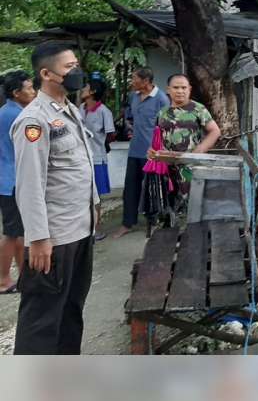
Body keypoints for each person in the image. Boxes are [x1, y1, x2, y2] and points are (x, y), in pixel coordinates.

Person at [11, 42, 99, 354]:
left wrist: (95, 206)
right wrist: (37, 238)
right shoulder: (34, 121)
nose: (77, 72)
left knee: (71, 310)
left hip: (80, 229)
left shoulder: (70, 110)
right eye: (69, 68)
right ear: (46, 74)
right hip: (54, 238)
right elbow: (29, 184)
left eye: (76, 65)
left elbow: (80, 166)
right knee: (42, 320)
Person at [148, 73, 221, 202]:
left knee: (193, 203)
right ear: (168, 90)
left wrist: (200, 149)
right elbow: (157, 138)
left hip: (190, 167)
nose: (180, 91)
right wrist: (153, 152)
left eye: (184, 87)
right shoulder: (162, 113)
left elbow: (215, 131)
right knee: (169, 204)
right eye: (176, 87)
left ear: (189, 89)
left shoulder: (198, 109)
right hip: (167, 168)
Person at [114, 67, 169, 238]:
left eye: (134, 78)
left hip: (153, 153)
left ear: (146, 81)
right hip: (135, 150)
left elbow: (167, 127)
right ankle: (127, 223)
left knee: (152, 188)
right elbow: (131, 118)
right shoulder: (134, 97)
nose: (132, 81)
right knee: (130, 188)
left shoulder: (161, 99)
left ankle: (153, 223)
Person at [0, 71, 37, 294]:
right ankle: (4, 279)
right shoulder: (18, 116)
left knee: (18, 231)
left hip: (8, 178)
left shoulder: (7, 111)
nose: (33, 92)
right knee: (12, 233)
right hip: (12, 180)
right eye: (30, 88)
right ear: (16, 93)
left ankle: (23, 275)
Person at [79, 77, 116, 241]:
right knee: (82, 194)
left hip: (97, 158)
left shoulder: (104, 111)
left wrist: (99, 143)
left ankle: (95, 228)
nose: (82, 90)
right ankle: (84, 228)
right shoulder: (80, 108)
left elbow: (110, 134)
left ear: (92, 92)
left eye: (86, 87)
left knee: (96, 196)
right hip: (81, 158)